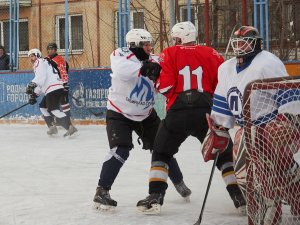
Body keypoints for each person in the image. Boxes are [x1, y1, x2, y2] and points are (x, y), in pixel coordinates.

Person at [137, 21, 245, 214]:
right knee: (224, 155)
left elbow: (166, 87)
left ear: (179, 38)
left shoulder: (169, 53)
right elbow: (222, 84)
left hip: (178, 113)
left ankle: (155, 196)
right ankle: (238, 196)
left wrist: (156, 78)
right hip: (206, 112)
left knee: (161, 153)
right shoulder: (211, 53)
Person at [198, 26, 300, 223]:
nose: (239, 47)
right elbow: (222, 102)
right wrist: (219, 128)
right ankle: (267, 209)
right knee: (247, 173)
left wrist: (289, 123)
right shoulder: (225, 68)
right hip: (246, 128)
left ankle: (283, 203)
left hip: (272, 125)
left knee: (278, 168)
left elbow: (289, 98)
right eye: (236, 43)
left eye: (244, 42)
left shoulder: (267, 63)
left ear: (256, 44)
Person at [93, 28, 191, 211]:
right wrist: (145, 69)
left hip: (146, 114)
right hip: (119, 112)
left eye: (150, 44)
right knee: (120, 150)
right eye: (145, 45)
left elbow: (169, 78)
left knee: (163, 148)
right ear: (134, 46)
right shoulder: (120, 54)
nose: (149, 48)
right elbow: (123, 71)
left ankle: (179, 182)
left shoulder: (154, 60)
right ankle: (102, 190)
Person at [25, 48, 77, 137]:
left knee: (54, 110)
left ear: (37, 55)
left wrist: (31, 84)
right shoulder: (43, 63)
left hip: (53, 88)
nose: (31, 58)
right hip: (54, 88)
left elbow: (41, 77)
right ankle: (52, 127)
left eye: (32, 56)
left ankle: (70, 127)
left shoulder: (39, 62)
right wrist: (34, 95)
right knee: (43, 106)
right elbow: (42, 81)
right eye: (29, 57)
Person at [45, 42, 77, 135]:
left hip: (60, 85)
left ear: (55, 50)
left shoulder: (59, 60)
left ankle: (68, 124)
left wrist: (65, 84)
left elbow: (63, 72)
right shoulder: (46, 59)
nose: (50, 50)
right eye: (49, 49)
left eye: (52, 49)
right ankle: (57, 123)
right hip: (51, 87)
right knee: (51, 106)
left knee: (64, 104)